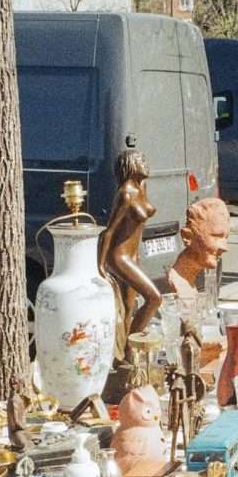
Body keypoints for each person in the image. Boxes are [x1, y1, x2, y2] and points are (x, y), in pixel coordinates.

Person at [98, 149, 162, 362]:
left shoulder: (141, 187)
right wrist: (101, 266)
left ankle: (123, 357)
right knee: (154, 298)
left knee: (128, 309)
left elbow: (138, 228)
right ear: (130, 165)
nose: (146, 164)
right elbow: (109, 232)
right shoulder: (126, 193)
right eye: (141, 161)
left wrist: (139, 257)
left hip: (133, 256)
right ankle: (130, 348)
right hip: (119, 257)